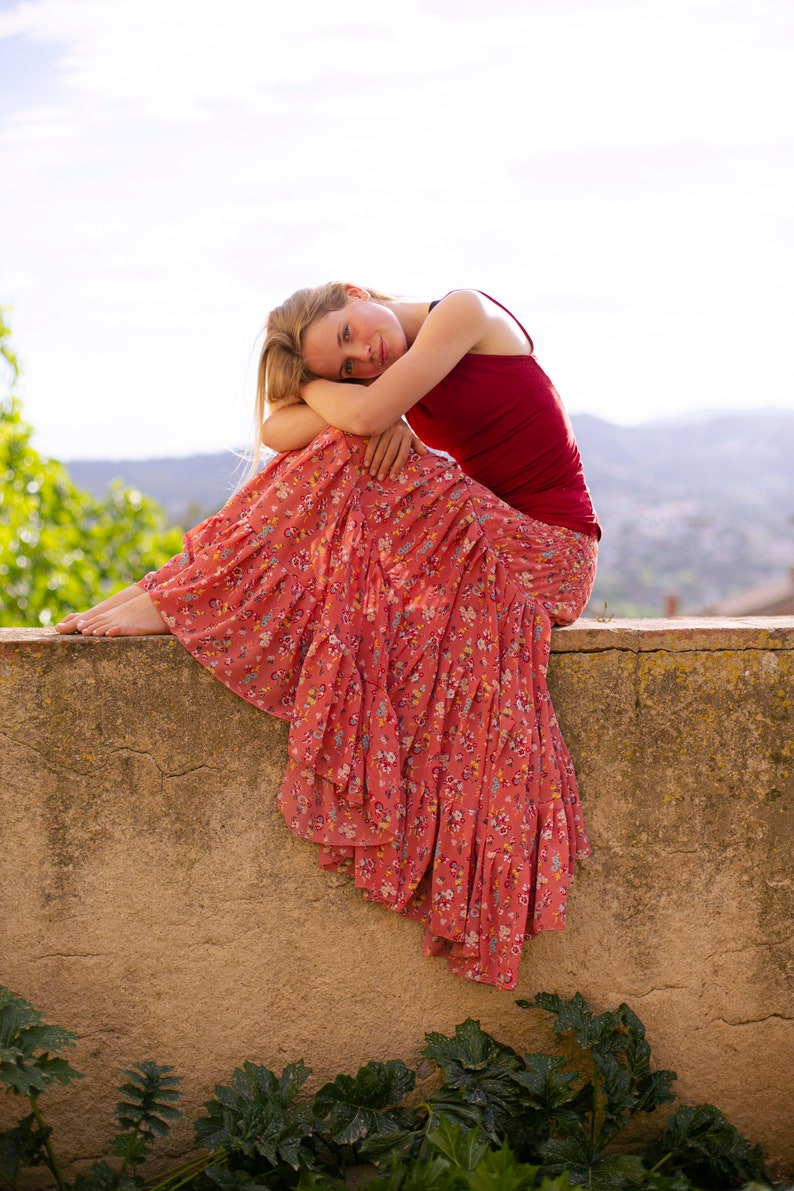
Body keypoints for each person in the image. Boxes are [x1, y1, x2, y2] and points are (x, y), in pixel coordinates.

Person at [56, 283, 599, 989]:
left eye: (348, 333)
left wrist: (357, 408)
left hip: (546, 556)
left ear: (353, 290)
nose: (362, 353)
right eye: (344, 366)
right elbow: (279, 431)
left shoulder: (461, 311)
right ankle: (178, 587)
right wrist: (349, 406)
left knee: (347, 451)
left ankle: (181, 592)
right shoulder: (389, 374)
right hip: (495, 538)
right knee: (346, 451)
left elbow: (360, 414)